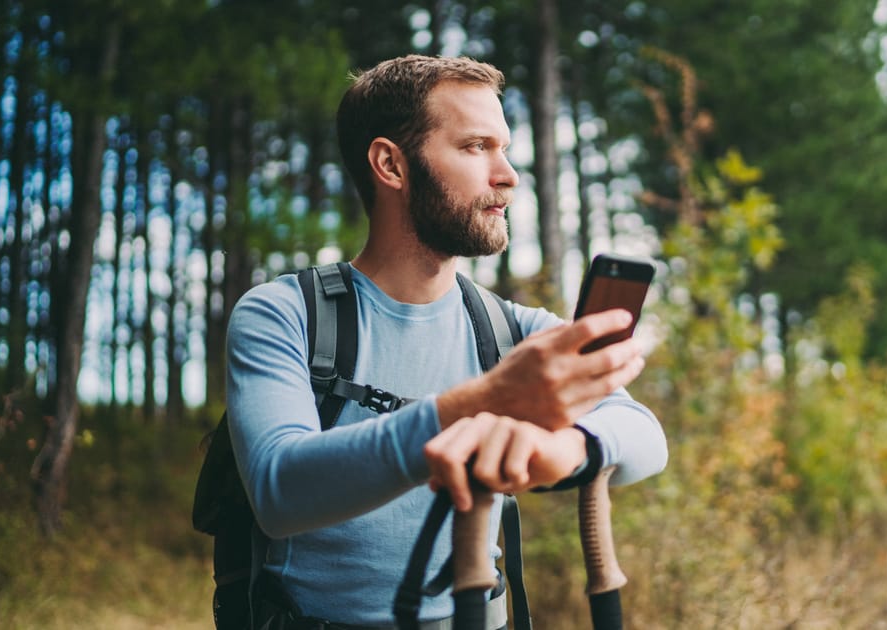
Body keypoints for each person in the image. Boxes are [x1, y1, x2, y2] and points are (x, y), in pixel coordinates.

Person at [226, 54, 667, 628]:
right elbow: (279, 489)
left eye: (504, 148)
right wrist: (486, 402)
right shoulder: (284, 314)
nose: (507, 173)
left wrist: (568, 451)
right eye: (475, 147)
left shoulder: (514, 331)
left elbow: (645, 437)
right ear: (391, 164)